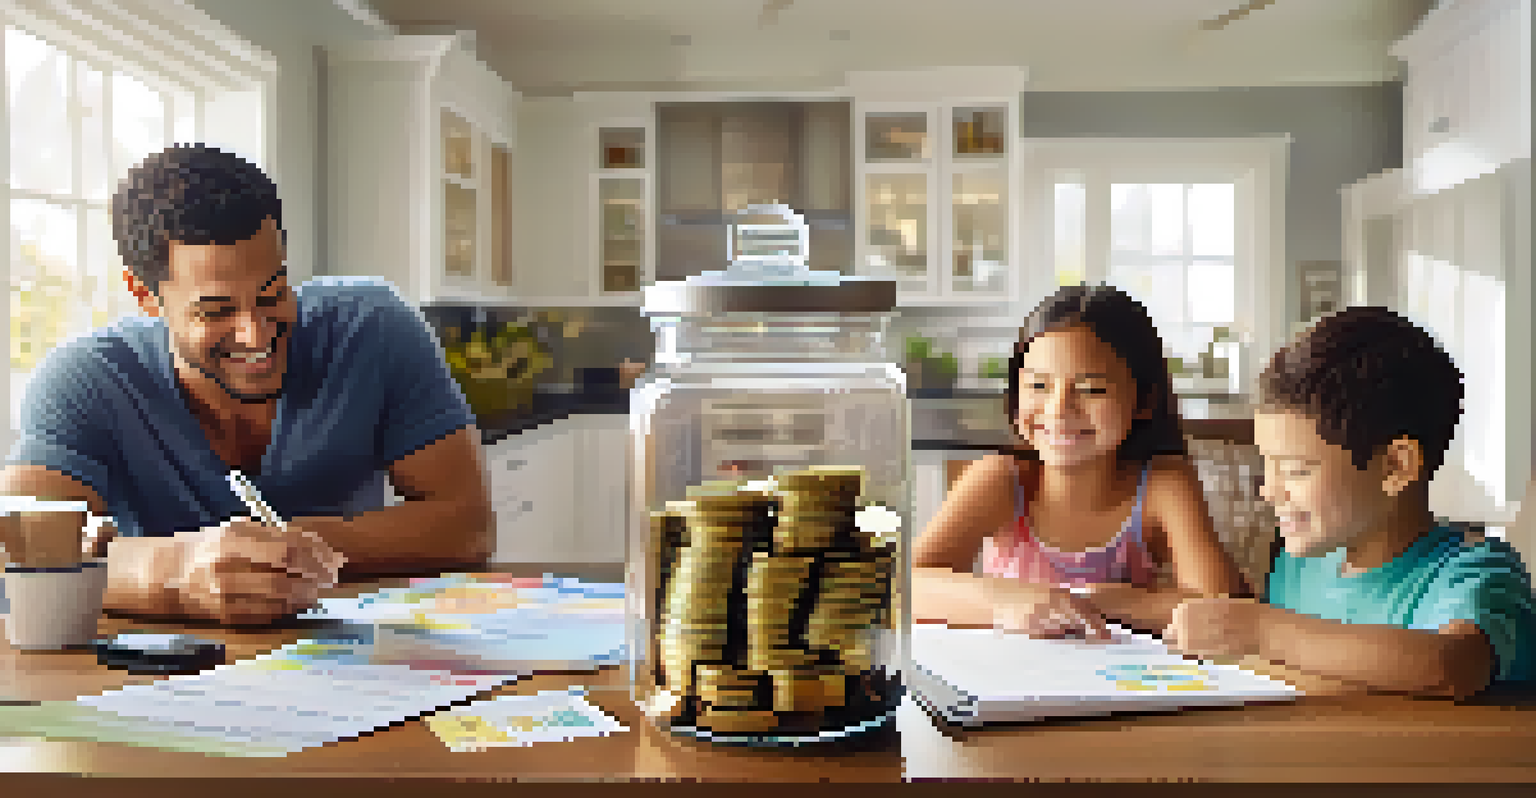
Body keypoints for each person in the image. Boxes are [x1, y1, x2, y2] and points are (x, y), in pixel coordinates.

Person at [0, 144, 494, 625]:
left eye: (273, 293)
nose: (256, 335)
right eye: (215, 311)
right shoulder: (84, 379)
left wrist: (278, 548)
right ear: (146, 295)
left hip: (350, 661)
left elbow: (468, 525)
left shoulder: (373, 327)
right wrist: (172, 573)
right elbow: (19, 553)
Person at [1164, 306, 1536, 698]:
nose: (1268, 492)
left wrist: (1261, 630)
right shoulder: (1299, 565)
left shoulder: (1477, 574)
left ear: (1396, 466)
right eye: (1267, 466)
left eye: (1295, 470)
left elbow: (1448, 667)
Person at [912, 283, 1247, 638]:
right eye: (1038, 386)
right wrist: (1007, 601)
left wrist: (1099, 602)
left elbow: (1221, 605)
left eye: (1091, 389)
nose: (1059, 410)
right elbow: (904, 586)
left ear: (1145, 400)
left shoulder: (1162, 483)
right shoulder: (1001, 479)